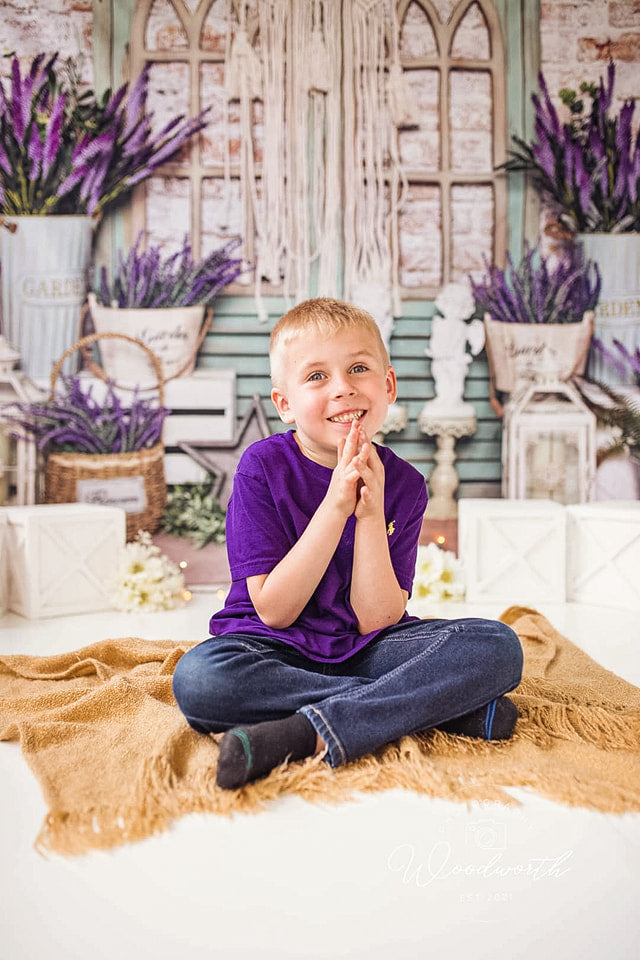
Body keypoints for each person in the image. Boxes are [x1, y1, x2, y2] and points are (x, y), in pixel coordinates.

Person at [172, 298, 523, 790]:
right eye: (316, 376)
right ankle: (436, 708)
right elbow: (274, 610)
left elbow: (376, 618)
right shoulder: (262, 467)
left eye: (358, 368)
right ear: (285, 404)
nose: (342, 388)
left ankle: (304, 732)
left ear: (388, 385)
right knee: (202, 681)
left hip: (369, 647)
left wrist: (370, 511)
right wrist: (336, 505)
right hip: (271, 650)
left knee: (497, 646)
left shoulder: (405, 484)